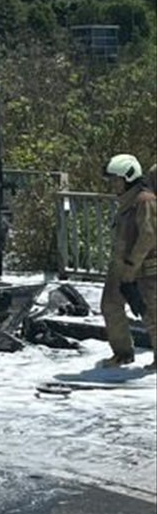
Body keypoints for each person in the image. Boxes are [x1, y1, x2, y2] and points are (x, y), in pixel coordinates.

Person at [101, 154, 157, 370]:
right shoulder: (127, 201)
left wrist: (132, 268)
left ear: (130, 177)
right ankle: (122, 353)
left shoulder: (144, 200)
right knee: (110, 305)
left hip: (143, 267)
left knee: (151, 315)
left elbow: (148, 236)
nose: (113, 185)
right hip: (121, 265)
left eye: (117, 180)